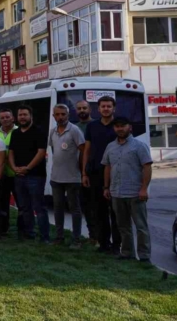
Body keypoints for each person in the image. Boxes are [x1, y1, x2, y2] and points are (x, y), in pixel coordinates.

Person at [102, 117, 153, 262]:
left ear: (129, 127)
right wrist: (106, 187)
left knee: (141, 226)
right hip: (116, 193)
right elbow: (107, 167)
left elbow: (147, 167)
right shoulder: (110, 146)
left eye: (122, 126)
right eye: (117, 126)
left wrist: (144, 189)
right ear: (114, 129)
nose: (120, 129)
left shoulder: (139, 146)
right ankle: (127, 253)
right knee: (123, 226)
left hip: (135, 193)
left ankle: (144, 256)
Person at [83, 95, 122, 254]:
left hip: (116, 174)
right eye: (103, 106)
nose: (106, 109)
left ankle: (117, 246)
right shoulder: (92, 126)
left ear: (114, 108)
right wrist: (84, 173)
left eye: (109, 106)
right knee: (99, 211)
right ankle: (104, 243)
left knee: (116, 212)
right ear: (98, 109)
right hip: (95, 174)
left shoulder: (119, 126)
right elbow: (87, 150)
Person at [9, 105, 49, 243]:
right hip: (19, 176)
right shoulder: (15, 133)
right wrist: (14, 168)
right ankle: (29, 233)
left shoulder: (39, 131)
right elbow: (11, 152)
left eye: (25, 115)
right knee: (25, 207)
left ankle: (44, 237)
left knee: (39, 207)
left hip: (36, 176)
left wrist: (27, 168)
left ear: (30, 116)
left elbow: (41, 152)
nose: (22, 117)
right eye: (20, 115)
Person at [48, 104, 86, 249]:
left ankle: (76, 239)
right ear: (54, 116)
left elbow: (83, 151)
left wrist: (82, 171)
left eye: (63, 114)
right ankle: (59, 237)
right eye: (57, 114)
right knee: (58, 208)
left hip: (72, 178)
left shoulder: (74, 130)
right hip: (56, 178)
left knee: (74, 209)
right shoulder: (52, 132)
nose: (60, 117)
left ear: (68, 115)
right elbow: (54, 151)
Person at [0, 108, 21, 237]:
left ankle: (22, 230)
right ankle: (3, 228)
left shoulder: (19, 132)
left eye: (7, 117)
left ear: (13, 118)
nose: (5, 119)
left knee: (21, 203)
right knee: (3, 203)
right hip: (2, 175)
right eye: (2, 118)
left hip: (17, 174)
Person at [74, 100, 96, 244]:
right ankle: (92, 236)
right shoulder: (73, 128)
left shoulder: (96, 126)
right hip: (78, 173)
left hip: (95, 171)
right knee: (86, 206)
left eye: (84, 108)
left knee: (97, 206)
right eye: (79, 108)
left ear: (90, 110)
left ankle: (101, 237)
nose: (82, 110)